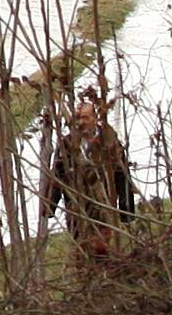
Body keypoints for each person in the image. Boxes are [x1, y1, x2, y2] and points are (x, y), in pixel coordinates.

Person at [41, 82, 136, 247]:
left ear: (95, 118)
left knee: (102, 249)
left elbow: (122, 174)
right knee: (81, 251)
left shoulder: (109, 140)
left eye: (86, 117)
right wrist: (49, 206)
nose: (81, 122)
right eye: (78, 118)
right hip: (77, 209)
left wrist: (126, 210)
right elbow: (57, 174)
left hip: (105, 206)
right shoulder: (67, 144)